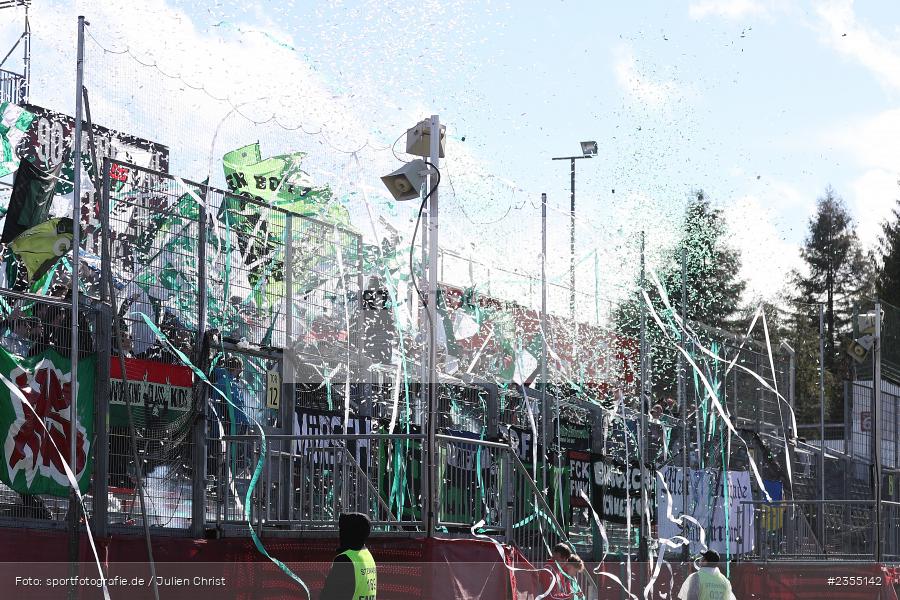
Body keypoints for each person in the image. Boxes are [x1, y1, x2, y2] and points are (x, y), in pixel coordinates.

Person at [320, 512, 377, 600]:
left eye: (343, 529)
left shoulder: (345, 559)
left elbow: (332, 595)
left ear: (349, 532)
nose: (340, 533)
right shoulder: (367, 555)